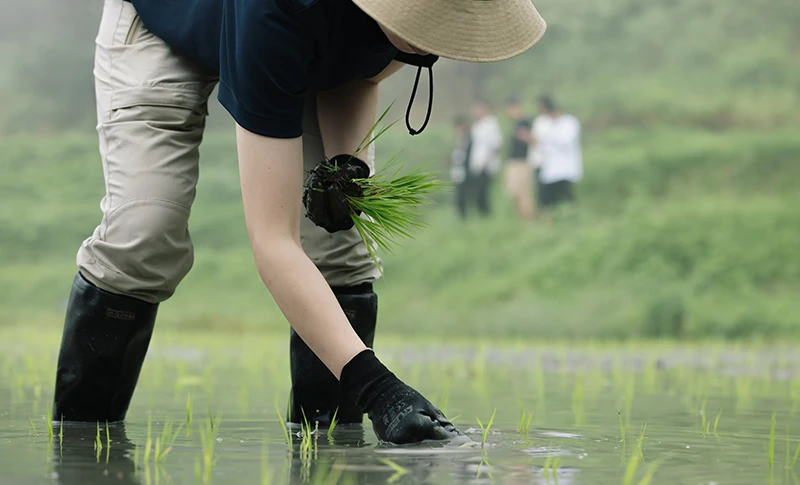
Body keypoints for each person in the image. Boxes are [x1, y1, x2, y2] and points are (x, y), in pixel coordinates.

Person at [49, 0, 547, 445]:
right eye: (429, 18)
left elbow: (359, 70)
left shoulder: (414, 24)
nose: (436, 38)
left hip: (295, 40)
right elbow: (273, 240)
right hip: (165, 23)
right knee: (146, 235)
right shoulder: (275, 11)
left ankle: (330, 449)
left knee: (344, 245)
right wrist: (377, 386)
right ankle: (81, 446)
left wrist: (345, 163)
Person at [529, 95, 583, 215]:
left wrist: (546, 139)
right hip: (550, 168)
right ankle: (551, 221)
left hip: (566, 168)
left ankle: (570, 218)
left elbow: (565, 141)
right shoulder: (548, 124)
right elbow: (541, 144)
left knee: (566, 196)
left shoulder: (569, 122)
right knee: (547, 198)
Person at [467, 99, 503, 216]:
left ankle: (486, 214)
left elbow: (496, 145)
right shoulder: (477, 125)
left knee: (483, 191)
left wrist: (487, 161)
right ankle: (481, 214)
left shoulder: (491, 123)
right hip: (476, 164)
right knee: (477, 192)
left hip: (486, 164)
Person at [503, 96, 534, 220]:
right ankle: (521, 218)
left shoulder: (523, 122)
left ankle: (528, 218)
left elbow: (529, 139)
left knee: (523, 192)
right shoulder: (516, 124)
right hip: (514, 162)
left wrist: (522, 135)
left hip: (521, 162)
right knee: (515, 193)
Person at [448, 114, 471, 220]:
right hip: (457, 170)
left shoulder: (467, 138)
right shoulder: (459, 139)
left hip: (464, 170)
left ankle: (464, 215)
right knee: (459, 195)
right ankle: (462, 216)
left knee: (462, 195)